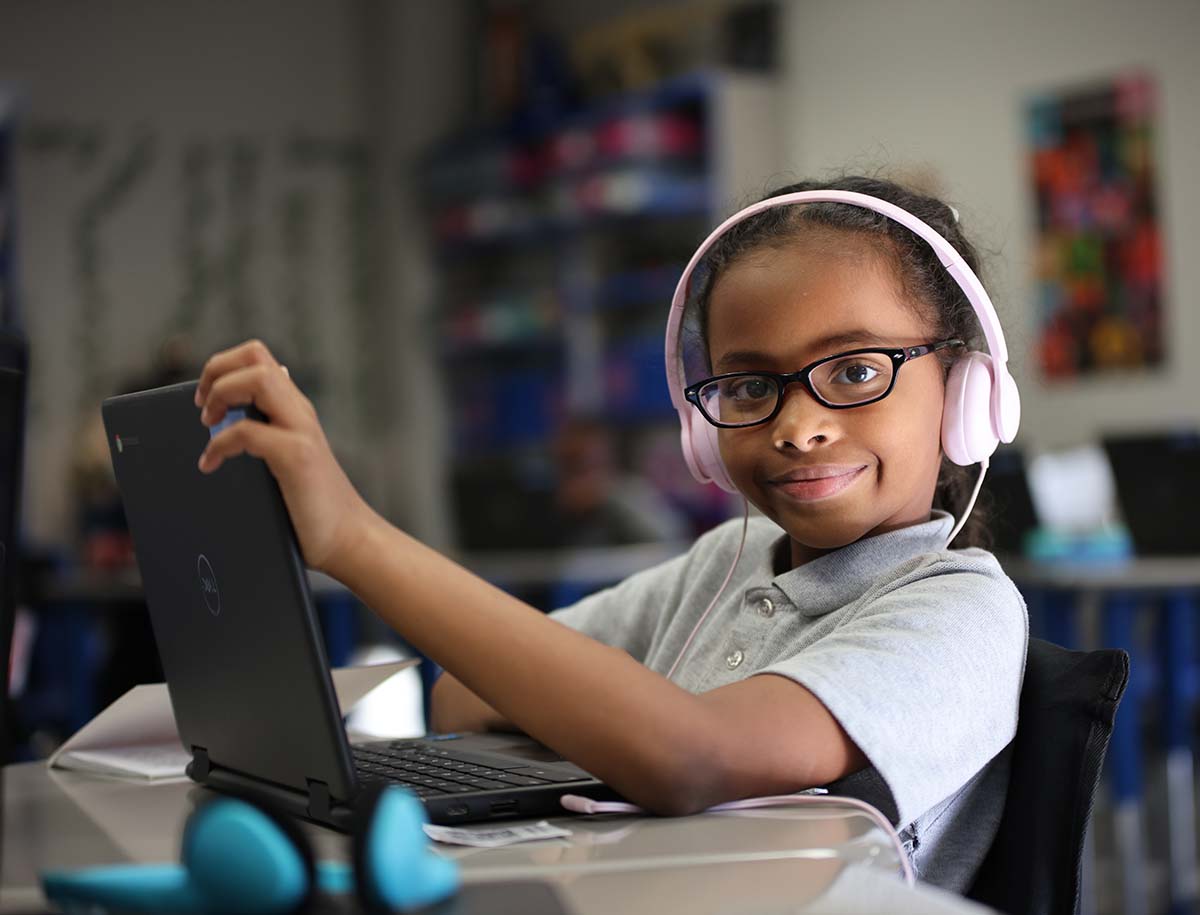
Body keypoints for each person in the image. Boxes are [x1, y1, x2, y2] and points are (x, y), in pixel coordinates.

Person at [192, 175, 1027, 893]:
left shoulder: (961, 613)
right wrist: (625, 728)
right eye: (747, 384)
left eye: (854, 370)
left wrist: (353, 538)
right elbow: (463, 697)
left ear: (968, 390)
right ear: (701, 426)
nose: (798, 427)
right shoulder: (718, 569)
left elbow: (692, 755)